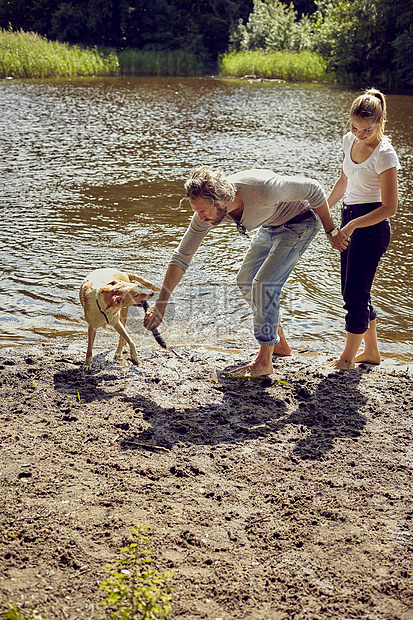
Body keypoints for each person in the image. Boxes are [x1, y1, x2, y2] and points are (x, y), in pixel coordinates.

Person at [144, 166, 348, 377]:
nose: (201, 218)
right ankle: (280, 346)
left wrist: (331, 230)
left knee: (264, 285)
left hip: (302, 221)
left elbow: (314, 189)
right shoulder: (208, 212)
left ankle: (264, 361)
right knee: (245, 280)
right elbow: (182, 256)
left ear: (222, 201)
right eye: (197, 212)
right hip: (271, 223)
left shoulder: (264, 190)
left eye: (203, 212)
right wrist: (162, 302)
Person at [325, 88, 400, 370]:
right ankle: (371, 352)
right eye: (355, 128)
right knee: (353, 291)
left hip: (371, 227)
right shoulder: (349, 140)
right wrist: (321, 208)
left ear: (380, 122)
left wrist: (353, 225)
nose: (359, 134)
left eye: (366, 130)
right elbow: (343, 183)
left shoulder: (385, 154)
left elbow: (390, 208)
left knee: (355, 294)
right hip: (350, 220)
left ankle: (346, 359)